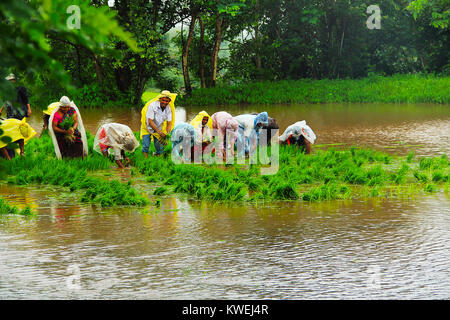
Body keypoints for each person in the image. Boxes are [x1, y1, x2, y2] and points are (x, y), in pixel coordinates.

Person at [140, 90, 177, 158]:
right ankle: (145, 159)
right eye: (163, 100)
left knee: (159, 147)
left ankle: (159, 156)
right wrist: (159, 132)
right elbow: (150, 121)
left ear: (169, 101)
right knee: (146, 145)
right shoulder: (152, 106)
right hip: (147, 126)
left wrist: (167, 134)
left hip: (158, 127)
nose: (165, 102)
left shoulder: (168, 108)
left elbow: (169, 123)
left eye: (167, 101)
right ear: (160, 99)